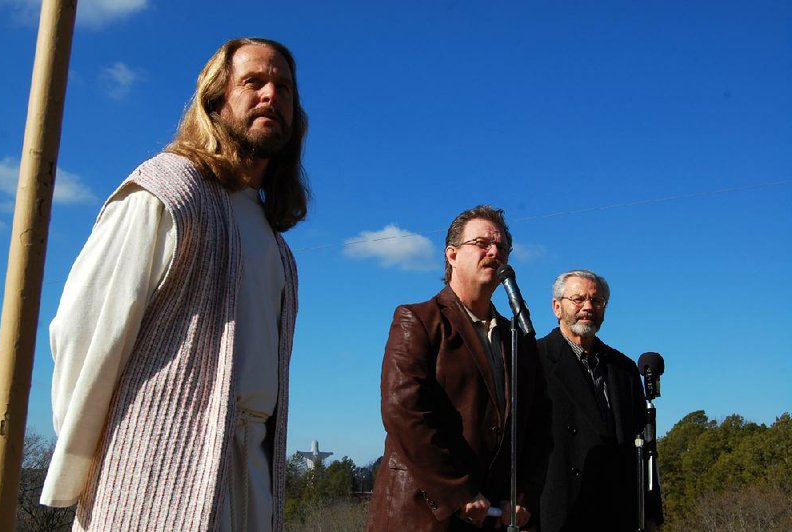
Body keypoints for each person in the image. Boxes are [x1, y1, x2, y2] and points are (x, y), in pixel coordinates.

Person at [39, 37, 310, 531]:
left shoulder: (279, 249)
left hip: (250, 481)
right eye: (253, 81)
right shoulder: (167, 191)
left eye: (285, 87)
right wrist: (90, 465)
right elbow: (85, 331)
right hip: (153, 477)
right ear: (215, 99)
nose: (272, 94)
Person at [366, 205, 552, 531]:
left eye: (503, 247)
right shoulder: (418, 320)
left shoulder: (517, 337)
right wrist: (458, 490)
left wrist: (522, 494)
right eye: (482, 243)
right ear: (451, 255)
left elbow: (538, 426)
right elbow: (404, 412)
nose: (494, 252)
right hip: (423, 515)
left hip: (492, 517)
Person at [536, 270, 663, 531]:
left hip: (618, 513)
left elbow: (645, 449)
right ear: (557, 307)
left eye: (597, 300)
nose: (588, 307)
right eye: (578, 299)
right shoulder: (534, 360)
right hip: (558, 512)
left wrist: (651, 513)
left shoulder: (623, 368)